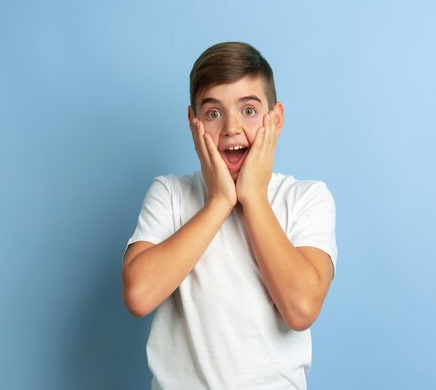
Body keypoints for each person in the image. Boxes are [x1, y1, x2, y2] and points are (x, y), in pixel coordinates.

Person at [122, 41, 337, 390]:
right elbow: (139, 295)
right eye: (213, 113)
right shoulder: (170, 195)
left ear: (276, 119)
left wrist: (253, 198)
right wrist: (220, 201)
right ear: (195, 125)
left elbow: (301, 309)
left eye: (249, 111)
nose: (231, 128)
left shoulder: (306, 199)